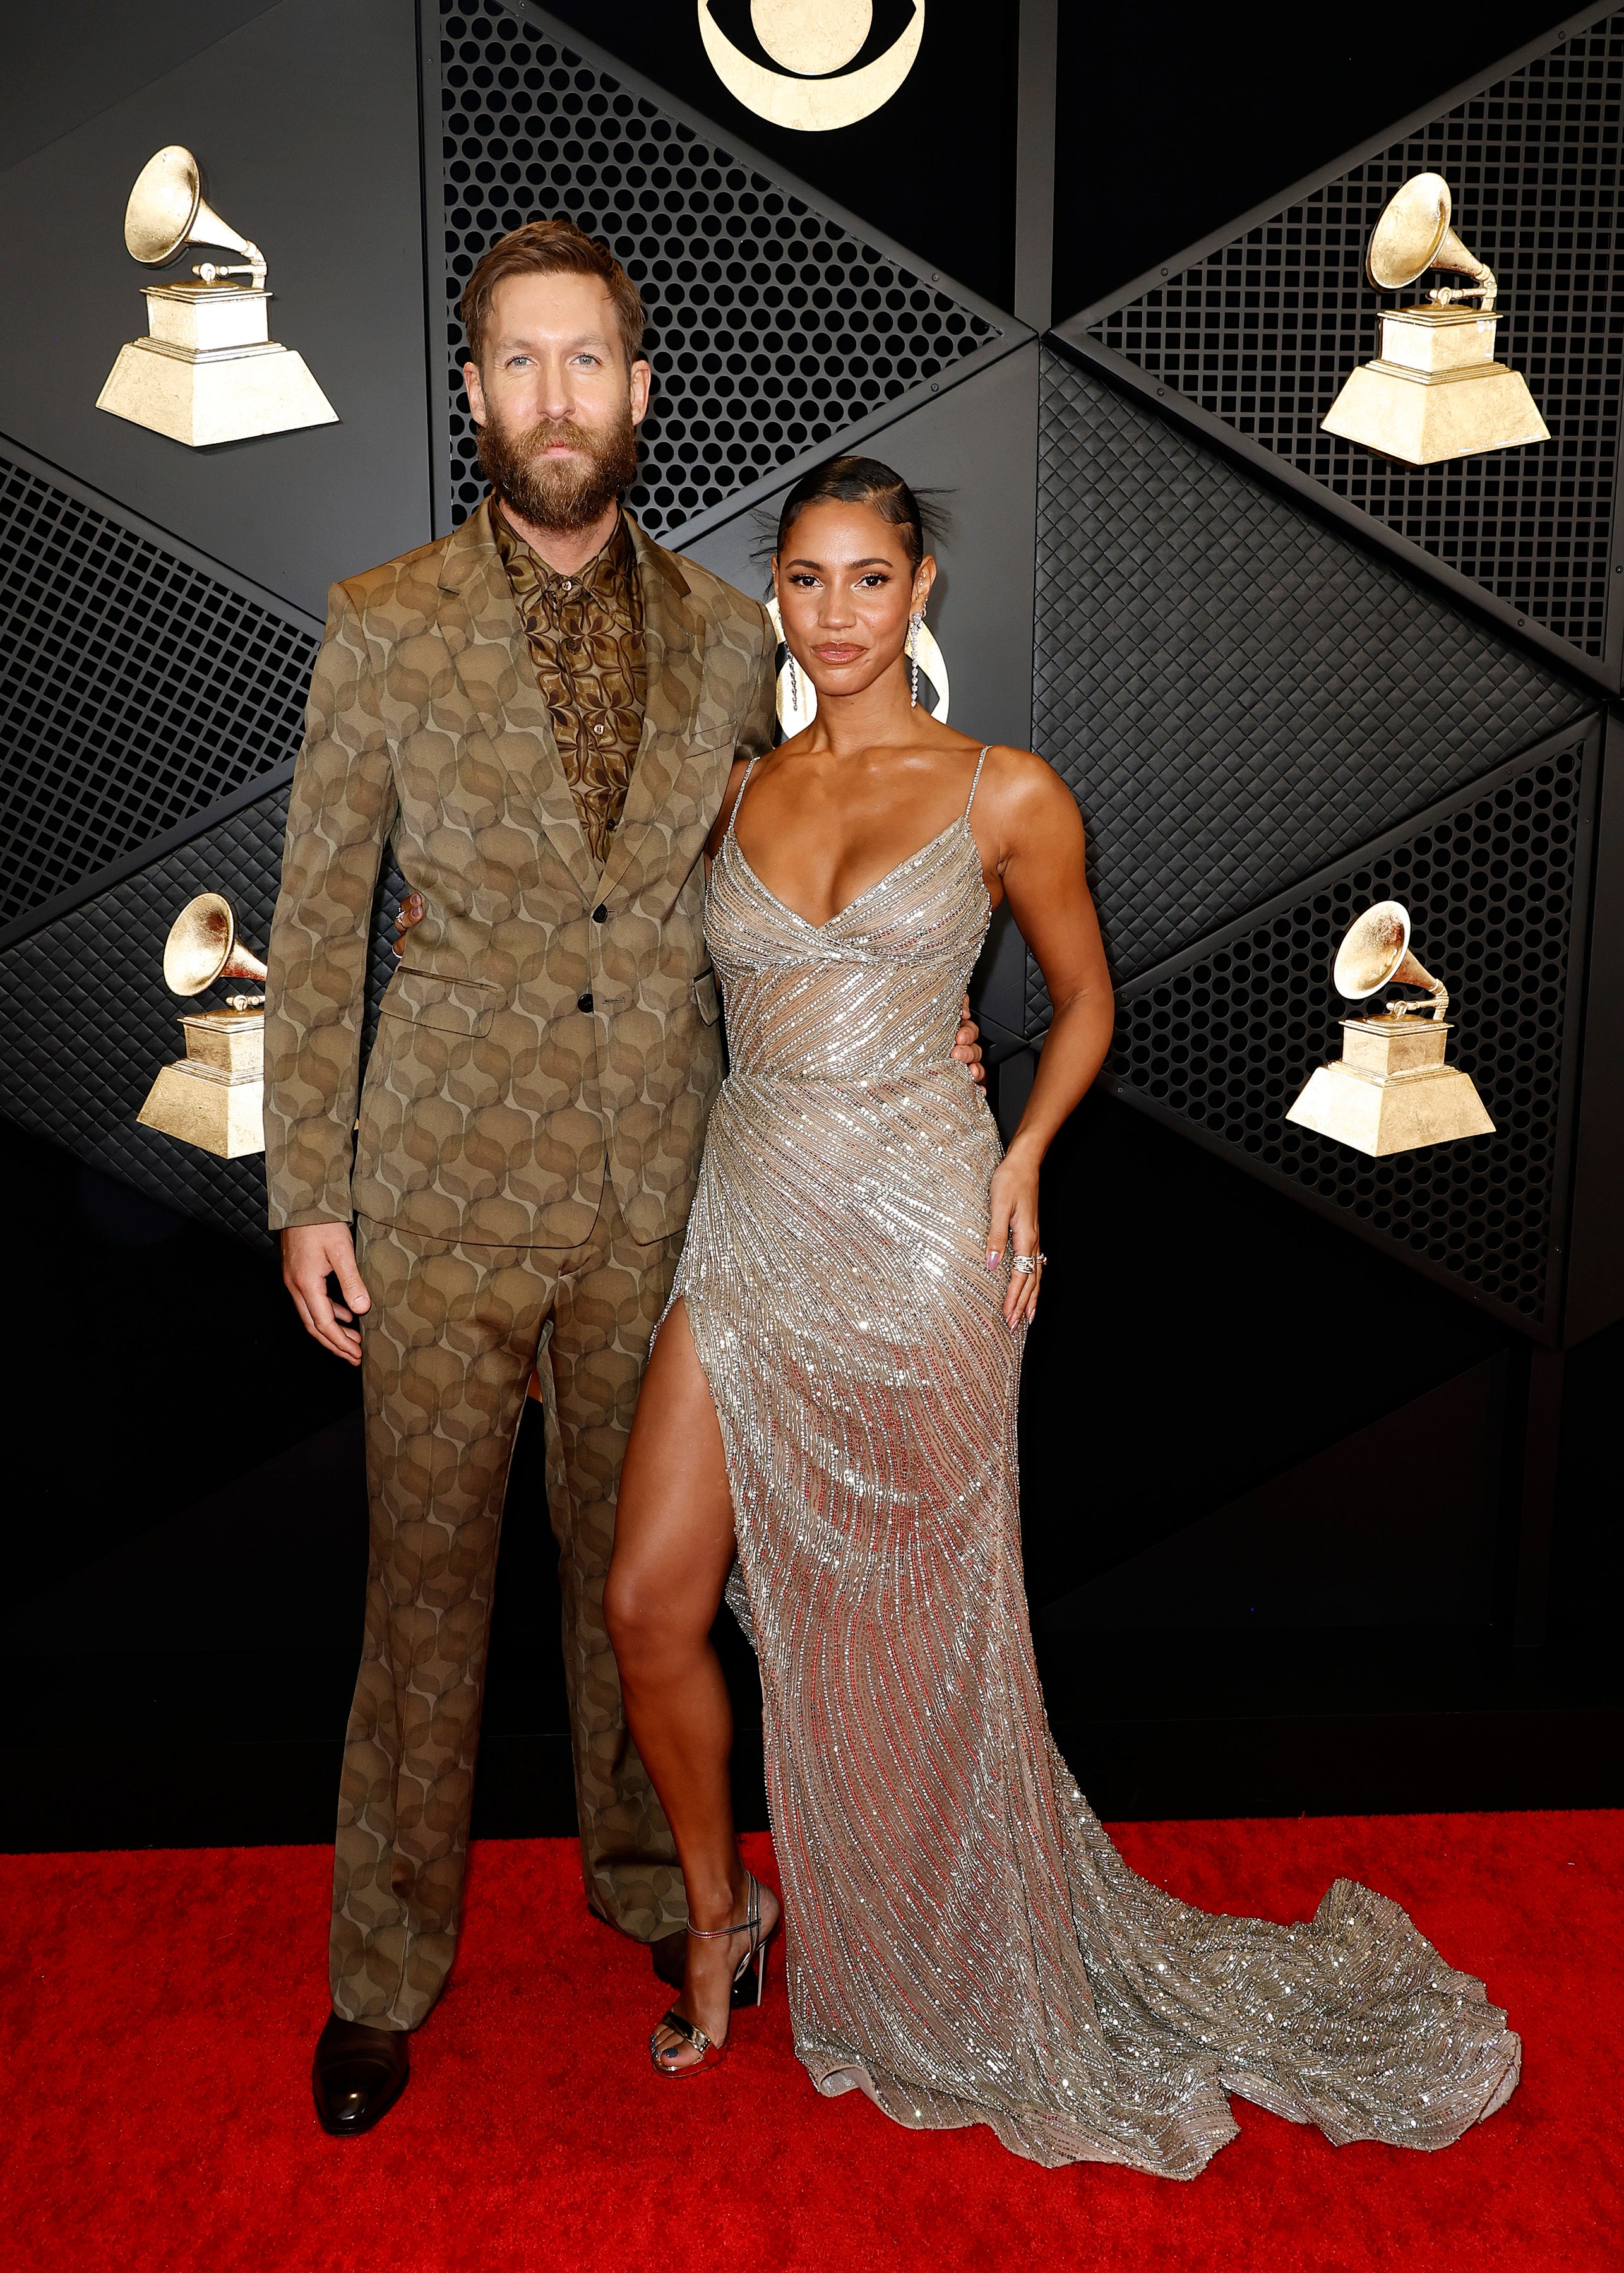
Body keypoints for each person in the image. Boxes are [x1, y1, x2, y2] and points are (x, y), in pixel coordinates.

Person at [602, 456, 1522, 2173]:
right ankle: (724, 1915)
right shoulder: (727, 792)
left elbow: (1088, 1001)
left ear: (919, 590)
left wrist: (1023, 1151)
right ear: (778, 597)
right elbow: (623, 965)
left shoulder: (1004, 790)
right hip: (745, 1234)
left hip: (926, 1241)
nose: (836, 613)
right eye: (806, 580)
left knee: (922, 1632)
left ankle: (934, 1940)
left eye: (870, 579)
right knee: (649, 1601)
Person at [263, 219, 988, 2137]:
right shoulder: (383, 619)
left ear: (639, 392)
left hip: (670, 1196)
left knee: (637, 1589)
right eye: (520, 363)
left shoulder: (730, 638)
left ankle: (670, 1897)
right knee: (421, 1598)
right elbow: (320, 919)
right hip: (429, 1191)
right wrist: (307, 1190)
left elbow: (807, 865)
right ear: (476, 390)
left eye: (589, 362)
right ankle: (382, 1972)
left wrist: (919, 1017)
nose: (556, 399)